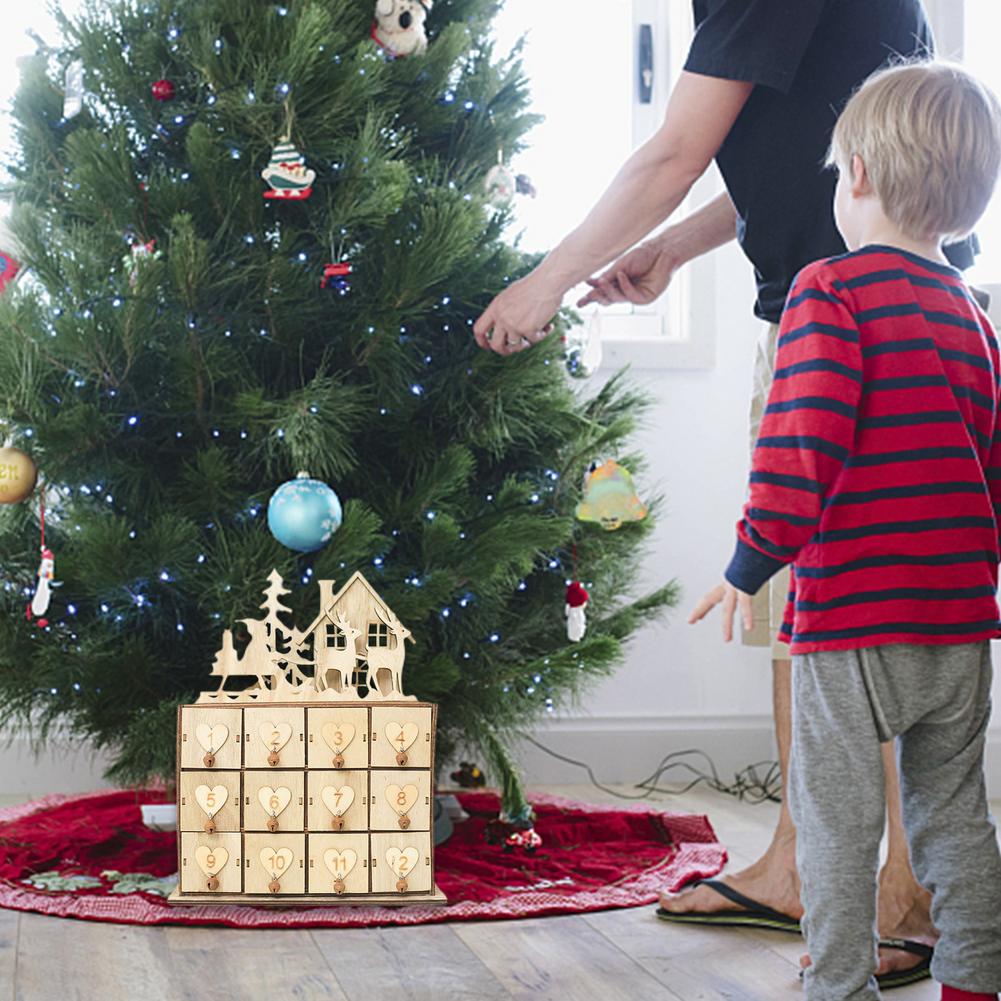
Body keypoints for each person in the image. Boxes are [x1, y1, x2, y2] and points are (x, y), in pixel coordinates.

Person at [473, 0, 974, 985]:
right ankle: (797, 864)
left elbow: (673, 151)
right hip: (876, 302)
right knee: (811, 622)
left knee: (845, 619)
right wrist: (678, 247)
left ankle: (906, 897)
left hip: (844, 317)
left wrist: (544, 281)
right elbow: (811, 155)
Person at [691, 60, 1001, 1001]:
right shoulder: (973, 318)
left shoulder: (828, 292)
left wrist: (749, 562)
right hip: (956, 624)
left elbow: (801, 442)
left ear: (855, 173)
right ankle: (974, 980)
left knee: (835, 818)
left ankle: (837, 984)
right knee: (953, 813)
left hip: (852, 618)